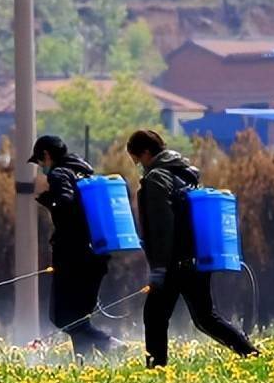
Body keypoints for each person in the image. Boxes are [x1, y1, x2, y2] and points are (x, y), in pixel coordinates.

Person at [126, 129, 259, 368]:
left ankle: (156, 370)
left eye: (136, 158)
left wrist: (159, 268)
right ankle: (251, 354)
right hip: (196, 258)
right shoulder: (183, 174)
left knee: (154, 316)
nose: (137, 164)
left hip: (174, 262)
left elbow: (162, 227)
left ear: (146, 153)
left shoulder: (157, 178)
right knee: (206, 318)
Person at [29, 134, 121, 358]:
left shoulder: (60, 173)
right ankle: (84, 363)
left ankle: (109, 344)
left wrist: (50, 201)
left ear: (47, 156)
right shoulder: (85, 173)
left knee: (60, 317)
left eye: (40, 162)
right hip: (97, 254)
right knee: (79, 316)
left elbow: (66, 202)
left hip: (74, 255)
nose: (41, 167)